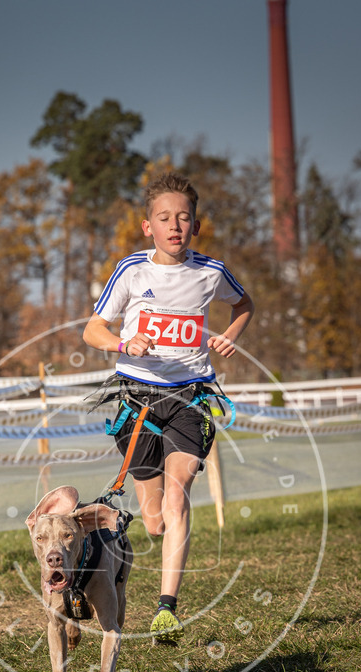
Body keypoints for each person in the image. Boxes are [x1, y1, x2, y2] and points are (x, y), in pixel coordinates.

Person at [83, 172, 254, 644]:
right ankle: (146, 542)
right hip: (137, 403)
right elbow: (92, 331)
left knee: (179, 500)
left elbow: (245, 305)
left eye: (184, 217)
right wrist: (123, 341)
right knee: (154, 521)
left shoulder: (211, 272)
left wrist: (227, 336)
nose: (175, 225)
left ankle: (166, 610)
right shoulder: (132, 271)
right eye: (165, 218)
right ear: (148, 226)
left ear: (196, 226)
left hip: (190, 401)